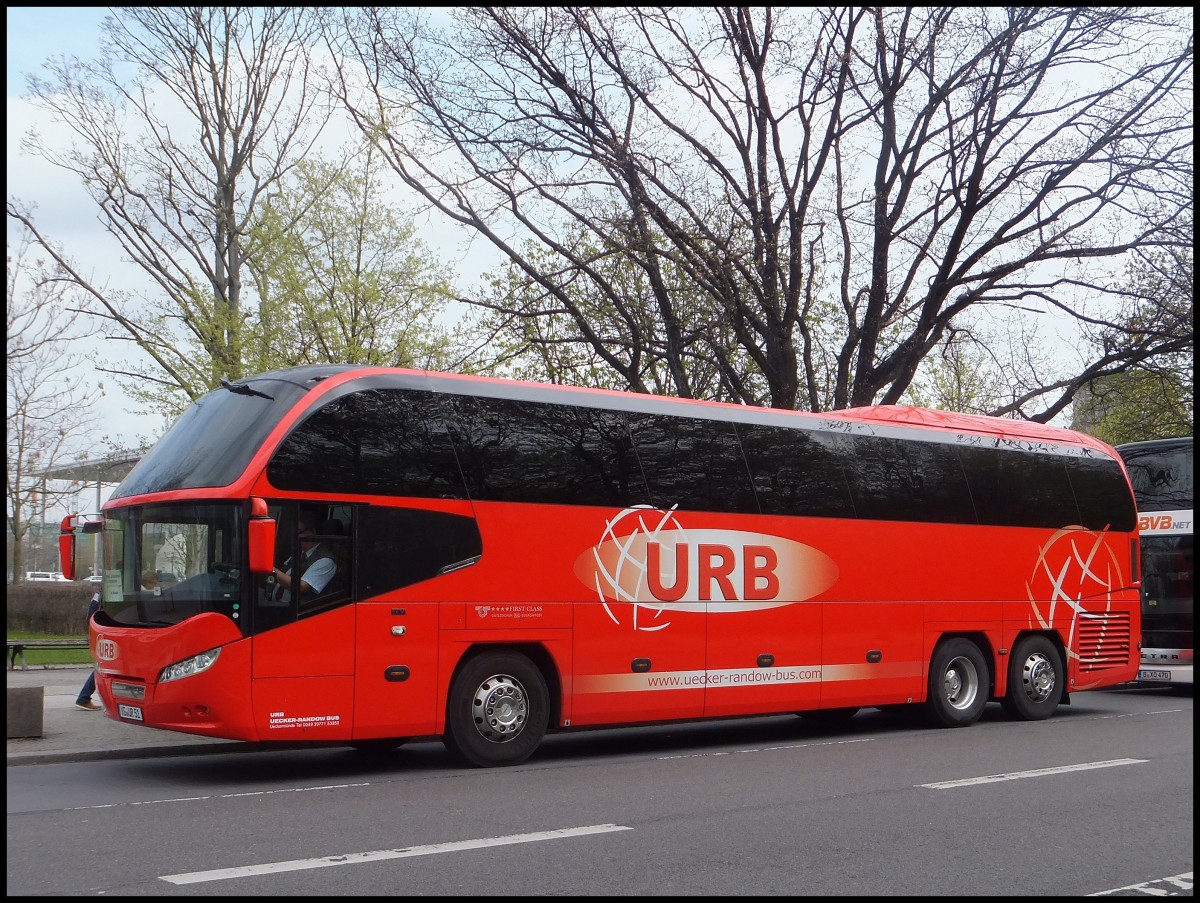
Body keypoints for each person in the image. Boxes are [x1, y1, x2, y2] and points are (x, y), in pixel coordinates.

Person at [271, 513, 338, 603]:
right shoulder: (298, 554)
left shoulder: (325, 561)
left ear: (312, 532)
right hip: (275, 601)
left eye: (299, 532)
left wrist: (273, 570)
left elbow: (301, 587)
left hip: (297, 611)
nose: (296, 536)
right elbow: (283, 575)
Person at [74, 589, 103, 711]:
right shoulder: (108, 594)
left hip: (98, 633)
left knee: (102, 666)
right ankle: (84, 697)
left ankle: (84, 697)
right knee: (102, 667)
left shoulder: (99, 594)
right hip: (103, 633)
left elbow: (91, 615)